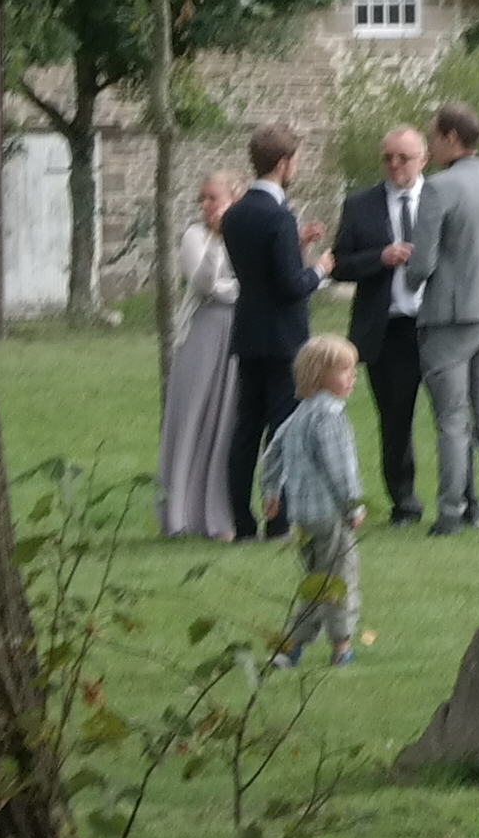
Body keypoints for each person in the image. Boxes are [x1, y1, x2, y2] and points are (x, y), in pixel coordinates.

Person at [407, 102, 479, 534]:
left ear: (452, 138)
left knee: (452, 419)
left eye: (433, 136)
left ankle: (451, 512)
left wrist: (411, 274)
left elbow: (422, 262)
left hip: (448, 313)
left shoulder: (438, 188)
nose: (430, 144)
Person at [213, 126, 317, 535]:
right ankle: (279, 520)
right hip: (284, 336)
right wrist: (320, 270)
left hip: (248, 329)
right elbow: (291, 284)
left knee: (246, 429)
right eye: (296, 161)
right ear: (282, 164)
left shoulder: (235, 213)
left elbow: (259, 269)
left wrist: (297, 246)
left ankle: (241, 521)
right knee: (283, 430)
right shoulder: (279, 215)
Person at [252, 336, 368, 669]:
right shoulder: (329, 417)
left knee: (315, 581)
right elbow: (340, 468)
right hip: (331, 516)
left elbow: (272, 452)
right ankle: (341, 645)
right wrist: (354, 506)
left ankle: (290, 647)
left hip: (302, 517)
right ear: (319, 375)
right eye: (344, 370)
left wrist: (271, 491)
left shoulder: (300, 413)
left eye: (352, 370)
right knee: (339, 580)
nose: (352, 377)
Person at [331, 124, 430, 510]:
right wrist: (379, 258)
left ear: (422, 159)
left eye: (403, 157)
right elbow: (339, 264)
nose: (394, 165)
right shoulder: (361, 204)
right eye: (387, 157)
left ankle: (463, 499)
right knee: (394, 418)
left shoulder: (439, 199)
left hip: (435, 324)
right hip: (387, 327)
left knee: (454, 418)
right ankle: (403, 500)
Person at [156, 164, 248, 541]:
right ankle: (177, 515)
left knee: (226, 420)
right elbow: (206, 285)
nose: (207, 205)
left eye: (215, 198)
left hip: (238, 334)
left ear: (234, 199)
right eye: (203, 199)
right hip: (201, 331)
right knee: (190, 414)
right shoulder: (195, 236)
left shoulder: (245, 233)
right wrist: (216, 242)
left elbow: (254, 280)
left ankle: (218, 515)